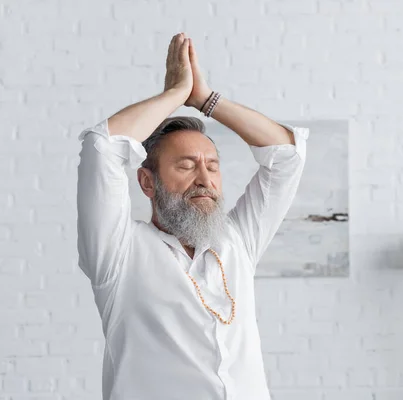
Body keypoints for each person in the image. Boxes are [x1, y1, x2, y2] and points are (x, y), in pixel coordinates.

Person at [76, 32, 308, 400]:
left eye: (213, 166)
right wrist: (174, 95)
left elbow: (286, 155)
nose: (205, 179)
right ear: (147, 182)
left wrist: (205, 100)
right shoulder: (118, 252)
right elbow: (101, 148)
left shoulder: (237, 241)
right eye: (186, 166)